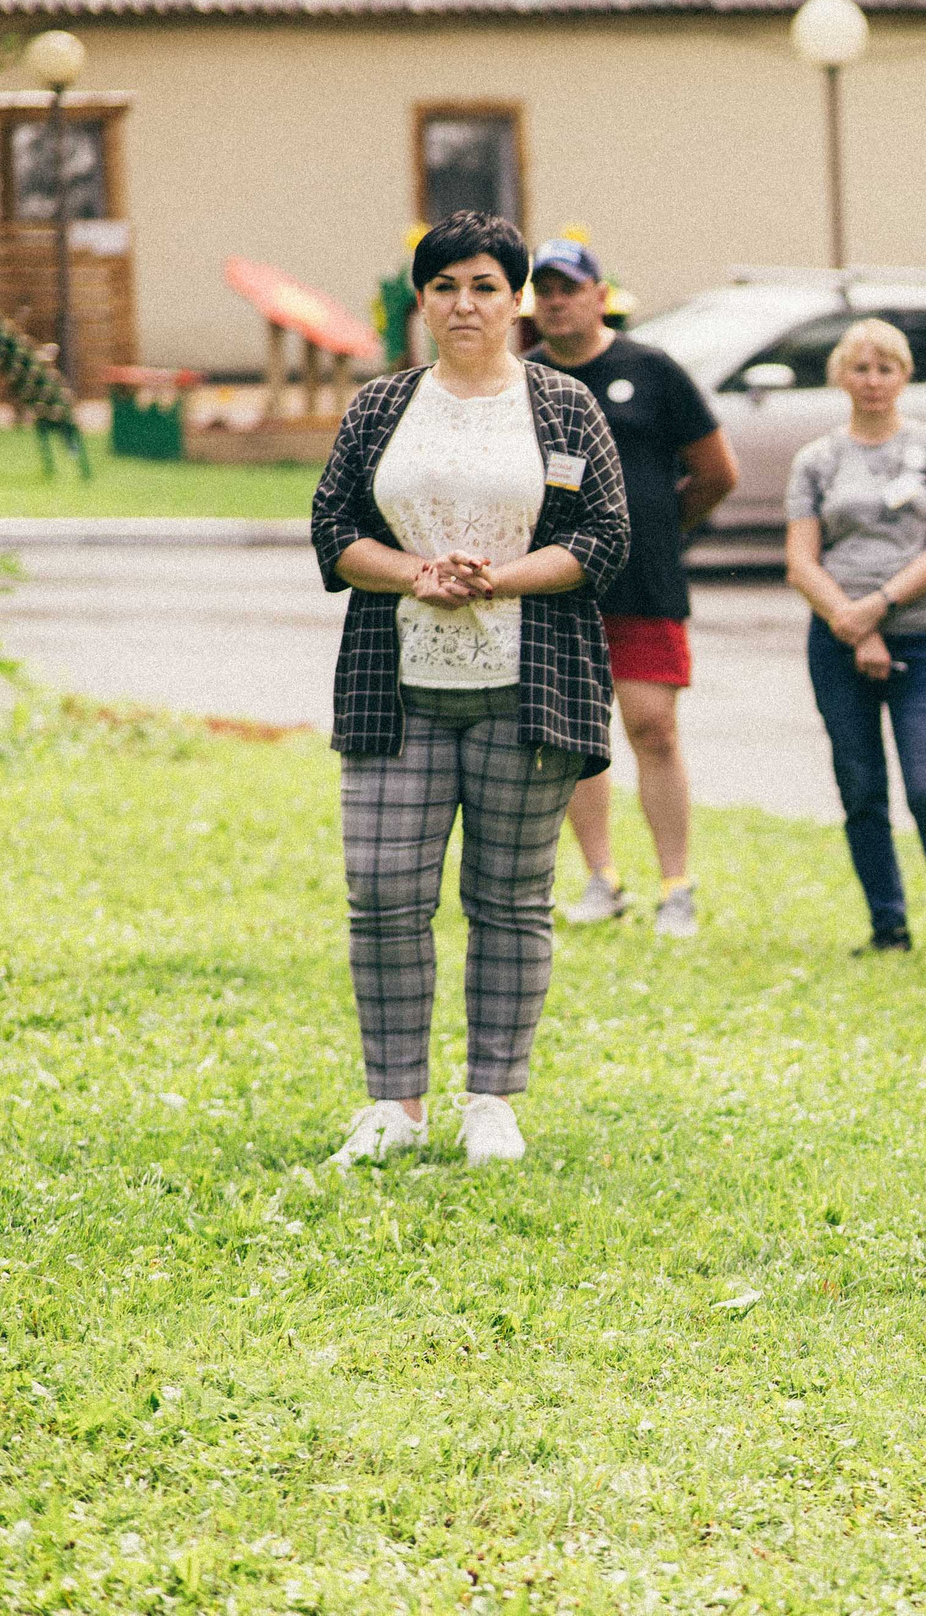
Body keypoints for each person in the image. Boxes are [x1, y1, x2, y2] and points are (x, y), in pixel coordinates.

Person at [310, 210, 629, 1168]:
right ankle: (394, 1103)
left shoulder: (565, 405)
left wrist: (499, 575)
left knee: (510, 899)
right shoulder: (380, 405)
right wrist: (415, 572)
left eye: (486, 286)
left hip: (529, 686)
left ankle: (491, 1098)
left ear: (516, 299)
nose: (465, 303)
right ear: (423, 298)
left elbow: (606, 537)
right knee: (383, 895)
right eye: (446, 286)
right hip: (393, 682)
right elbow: (332, 527)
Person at [525, 239, 738, 939]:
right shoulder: (524, 379)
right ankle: (601, 877)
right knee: (577, 739)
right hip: (559, 587)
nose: (556, 301)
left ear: (598, 294)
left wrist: (658, 526)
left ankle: (676, 883)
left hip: (645, 584)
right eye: (545, 290)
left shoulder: (651, 371)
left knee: (653, 727)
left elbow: (715, 472)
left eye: (569, 288)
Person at [786, 319, 926, 958]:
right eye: (861, 368)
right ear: (841, 375)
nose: (873, 381)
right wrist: (849, 623)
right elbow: (801, 561)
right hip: (836, 637)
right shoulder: (817, 459)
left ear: (906, 376)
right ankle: (888, 925)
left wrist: (875, 610)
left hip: (922, 637)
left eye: (887, 368)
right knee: (860, 784)